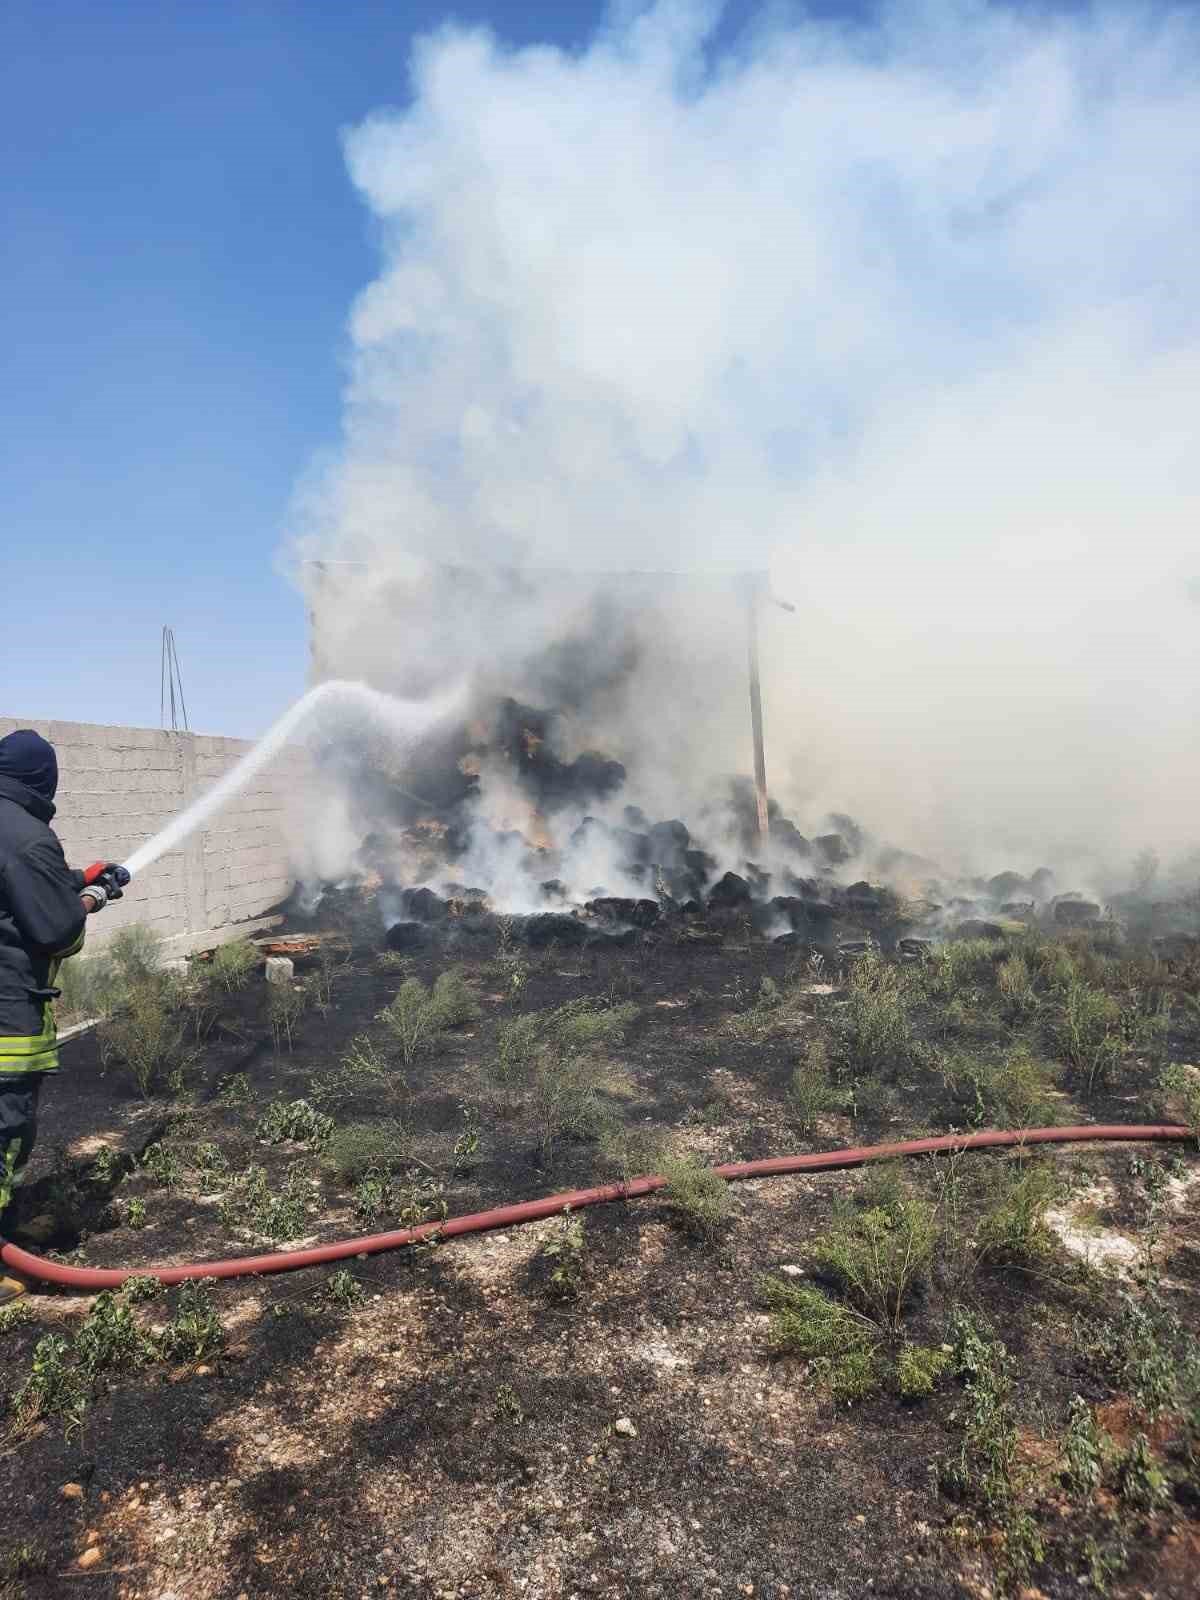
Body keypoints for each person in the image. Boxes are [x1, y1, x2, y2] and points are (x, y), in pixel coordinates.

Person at [0, 729, 122, 1303]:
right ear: (43, 781)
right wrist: (93, 899)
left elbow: (20, 886)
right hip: (7, 1016)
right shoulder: (30, 837)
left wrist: (78, 876)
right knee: (6, 1129)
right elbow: (56, 930)